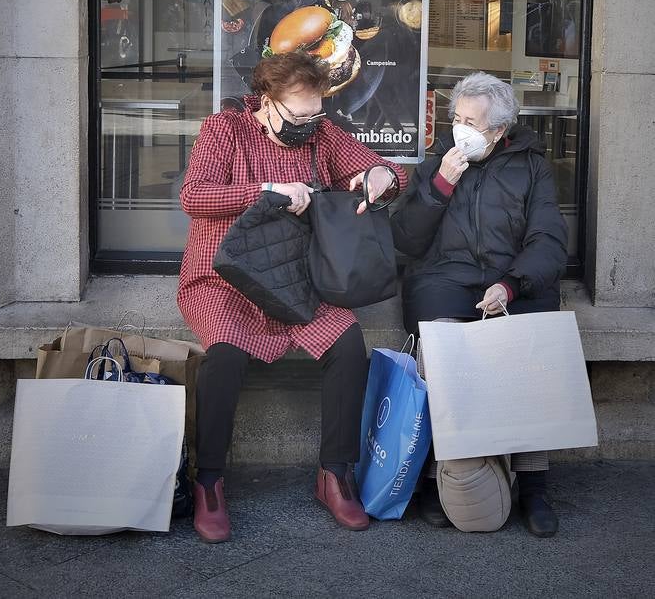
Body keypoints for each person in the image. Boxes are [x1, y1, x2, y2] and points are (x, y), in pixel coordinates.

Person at [178, 51, 407, 543]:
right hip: (229, 279)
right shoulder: (225, 129)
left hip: (299, 279)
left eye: (316, 113)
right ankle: (209, 481)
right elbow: (194, 196)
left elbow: (381, 170)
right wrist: (266, 191)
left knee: (348, 346)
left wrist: (383, 177)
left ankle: (334, 474)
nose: (309, 124)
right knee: (224, 356)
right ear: (266, 102)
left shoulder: (322, 133)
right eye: (298, 115)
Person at [391, 71, 568, 537]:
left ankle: (533, 484)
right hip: (445, 278)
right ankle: (434, 480)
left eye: (473, 121)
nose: (461, 128)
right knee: (442, 347)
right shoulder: (436, 165)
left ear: (498, 130)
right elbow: (406, 240)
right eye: (457, 118)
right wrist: (439, 188)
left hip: (511, 281)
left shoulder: (532, 166)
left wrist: (512, 284)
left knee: (527, 346)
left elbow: (548, 239)